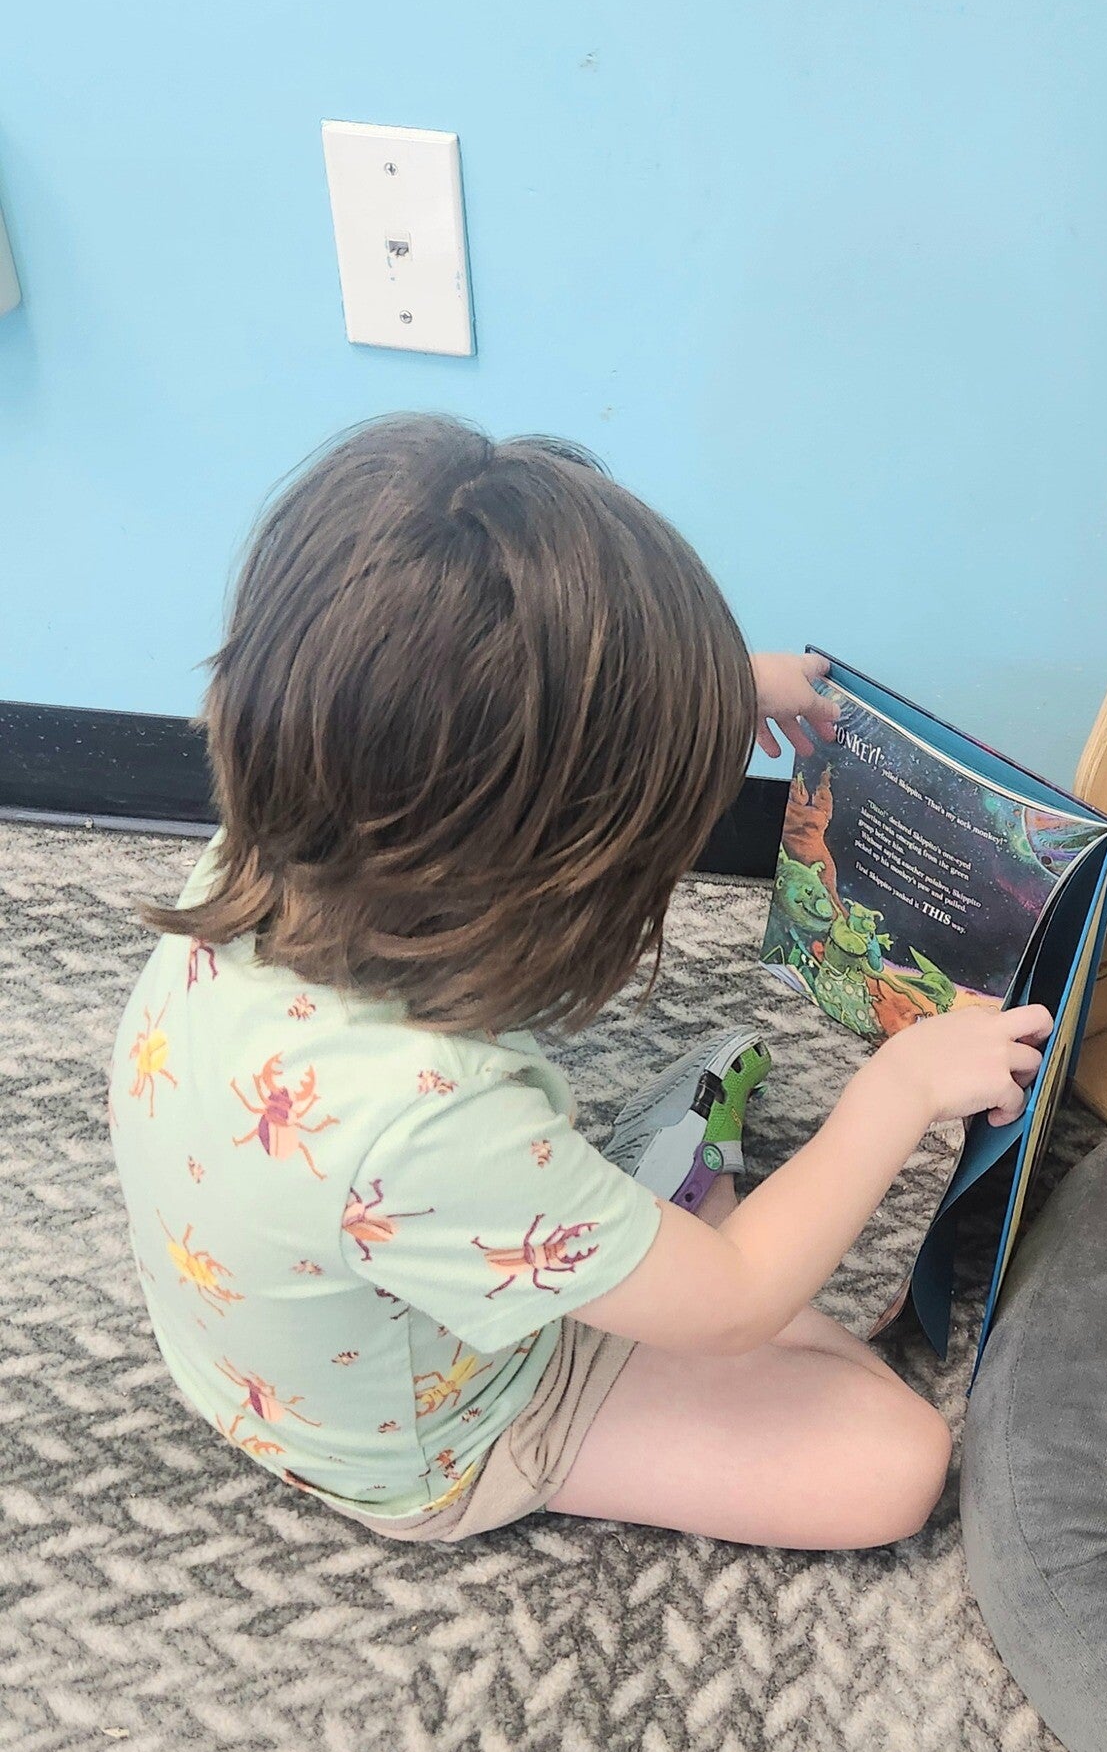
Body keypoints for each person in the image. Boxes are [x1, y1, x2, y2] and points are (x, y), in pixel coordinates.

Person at [110, 415, 1051, 1549]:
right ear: (551, 872)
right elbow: (735, 1300)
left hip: (273, 1347)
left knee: (786, 1340)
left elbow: (458, 710)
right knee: (893, 1457)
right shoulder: (427, 1123)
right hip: (440, 1432)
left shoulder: (283, 836)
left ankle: (638, 1231)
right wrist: (898, 1088)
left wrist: (701, 696)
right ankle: (661, 1217)